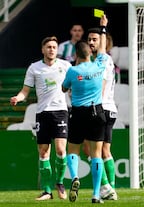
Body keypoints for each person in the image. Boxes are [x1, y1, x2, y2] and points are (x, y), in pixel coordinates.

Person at [10, 36, 71, 201]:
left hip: (60, 111)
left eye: (54, 47)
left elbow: (73, 86)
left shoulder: (65, 66)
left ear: (57, 50)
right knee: (44, 152)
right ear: (43, 49)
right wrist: (18, 97)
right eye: (49, 47)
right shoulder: (34, 68)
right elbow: (25, 91)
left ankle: (59, 182)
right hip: (43, 113)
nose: (52, 49)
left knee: (60, 150)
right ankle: (47, 191)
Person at [62, 14, 108, 204]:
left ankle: (74, 177)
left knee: (73, 150)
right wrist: (103, 28)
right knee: (97, 155)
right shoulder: (100, 65)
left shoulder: (73, 70)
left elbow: (64, 88)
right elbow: (103, 48)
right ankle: (96, 194)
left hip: (78, 113)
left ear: (75, 55)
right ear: (89, 52)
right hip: (97, 112)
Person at [82, 28, 118, 200]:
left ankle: (106, 187)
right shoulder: (99, 61)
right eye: (89, 39)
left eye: (94, 39)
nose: (91, 42)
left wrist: (103, 28)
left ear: (102, 42)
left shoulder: (103, 60)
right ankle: (111, 188)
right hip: (109, 108)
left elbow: (101, 85)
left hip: (100, 108)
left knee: (91, 150)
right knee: (104, 150)